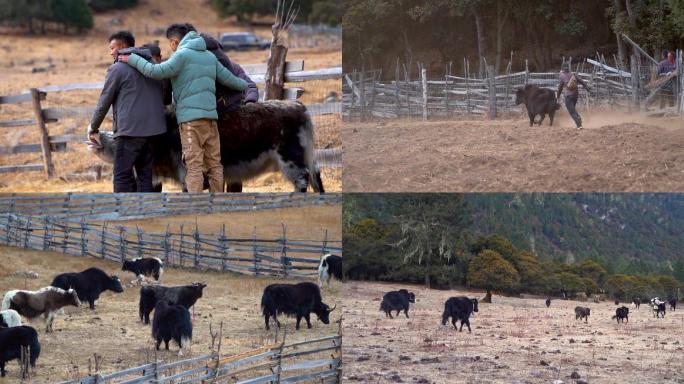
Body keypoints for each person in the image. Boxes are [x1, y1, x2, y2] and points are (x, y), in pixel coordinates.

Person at [119, 23, 248, 193]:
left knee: (194, 165)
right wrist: (245, 85)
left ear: (174, 42)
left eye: (170, 44)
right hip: (211, 120)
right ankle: (218, 203)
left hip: (190, 121)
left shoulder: (181, 56)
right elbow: (232, 81)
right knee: (215, 164)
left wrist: (132, 59)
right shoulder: (209, 57)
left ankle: (194, 207)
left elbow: (154, 71)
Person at [88, 31, 166, 192]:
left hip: (130, 131)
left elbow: (104, 101)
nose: (110, 52)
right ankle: (148, 213)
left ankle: (124, 213)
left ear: (123, 47)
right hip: (155, 131)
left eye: (112, 48)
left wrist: (93, 127)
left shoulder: (117, 69)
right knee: (146, 175)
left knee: (122, 174)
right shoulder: (154, 66)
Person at [557, 62, 592, 130]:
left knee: (571, 111)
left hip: (568, 96)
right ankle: (578, 119)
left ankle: (579, 124)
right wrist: (587, 88)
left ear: (562, 68)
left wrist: (558, 96)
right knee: (573, 109)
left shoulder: (562, 76)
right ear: (568, 68)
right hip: (575, 95)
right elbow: (582, 81)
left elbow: (560, 87)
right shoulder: (573, 74)